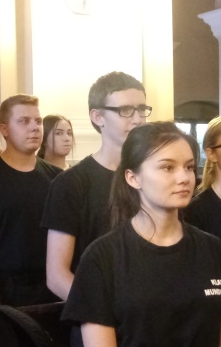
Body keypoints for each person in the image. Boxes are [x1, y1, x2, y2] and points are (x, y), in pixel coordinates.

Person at [62, 122, 221, 347]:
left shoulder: (214, 250)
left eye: (189, 166)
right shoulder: (103, 257)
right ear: (133, 177)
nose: (184, 177)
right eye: (167, 167)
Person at [43, 71, 149, 302]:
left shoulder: (153, 176)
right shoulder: (71, 183)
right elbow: (57, 275)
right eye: (125, 110)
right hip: (97, 311)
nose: (138, 119)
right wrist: (103, 313)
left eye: (141, 109)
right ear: (98, 116)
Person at [0, 95, 62, 306]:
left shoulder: (57, 178)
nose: (34, 127)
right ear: (4, 129)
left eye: (38, 121)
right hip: (3, 290)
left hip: (52, 291)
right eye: (24, 121)